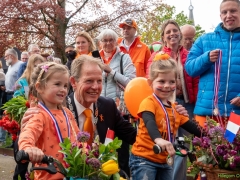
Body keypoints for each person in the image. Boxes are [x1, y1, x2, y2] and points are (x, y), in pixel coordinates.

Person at [129, 52, 201, 180]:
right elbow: (149, 122)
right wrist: (159, 139)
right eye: (161, 81)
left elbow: (192, 128)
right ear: (150, 83)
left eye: (171, 81)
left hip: (165, 160)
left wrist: (211, 135)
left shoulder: (175, 108)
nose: (167, 86)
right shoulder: (149, 102)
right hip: (144, 159)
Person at [18, 62, 80, 180]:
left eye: (65, 86)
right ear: (40, 87)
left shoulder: (67, 112)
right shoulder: (38, 114)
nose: (63, 89)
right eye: (57, 84)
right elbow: (28, 133)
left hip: (72, 174)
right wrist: (28, 148)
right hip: (48, 175)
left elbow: (77, 137)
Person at [185, 0, 240, 127]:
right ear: (220, 16)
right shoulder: (204, 39)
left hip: (235, 114)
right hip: (207, 112)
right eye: (224, 12)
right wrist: (206, 59)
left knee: (232, 145)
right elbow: (189, 68)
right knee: (205, 146)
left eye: (233, 11)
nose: (228, 15)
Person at [97, 29, 136, 178]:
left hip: (120, 110)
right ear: (100, 42)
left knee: (122, 152)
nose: (107, 43)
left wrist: (111, 72)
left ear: (116, 41)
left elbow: (131, 82)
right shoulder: (95, 58)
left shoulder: (123, 58)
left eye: (111, 40)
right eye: (104, 40)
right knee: (103, 149)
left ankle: (124, 176)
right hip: (100, 110)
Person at [0, 61, 6, 147]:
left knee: (1, 118)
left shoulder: (1, 74)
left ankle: (2, 139)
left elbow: (3, 87)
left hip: (1, 99)